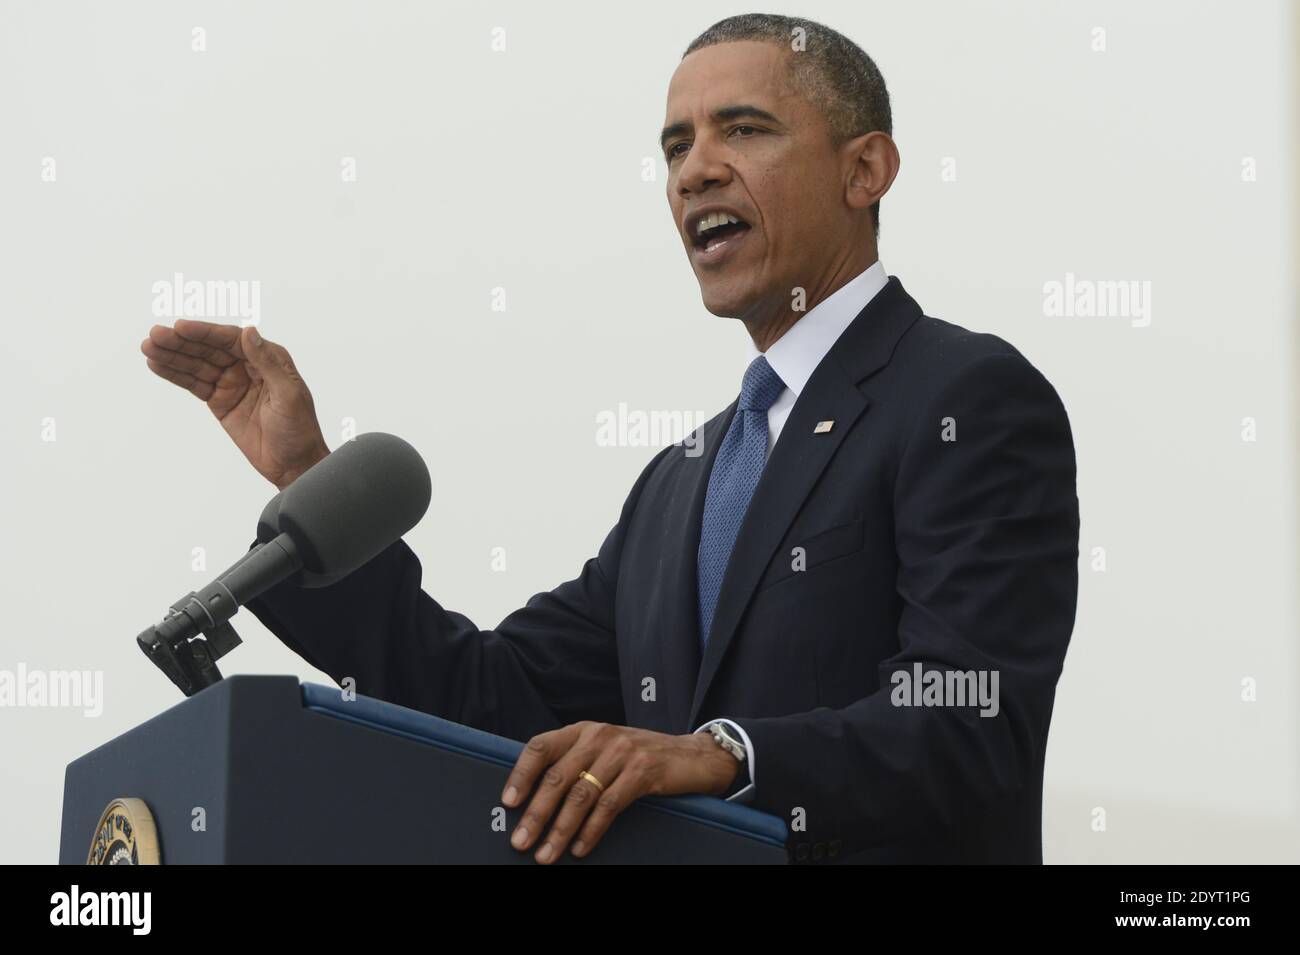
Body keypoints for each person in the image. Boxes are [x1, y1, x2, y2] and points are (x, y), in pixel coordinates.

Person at [141, 13, 1079, 864]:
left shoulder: (964, 396)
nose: (694, 170)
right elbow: (487, 700)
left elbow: (972, 715)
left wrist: (722, 756)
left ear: (864, 169)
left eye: (743, 129)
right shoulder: (680, 485)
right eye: (676, 146)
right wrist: (311, 479)